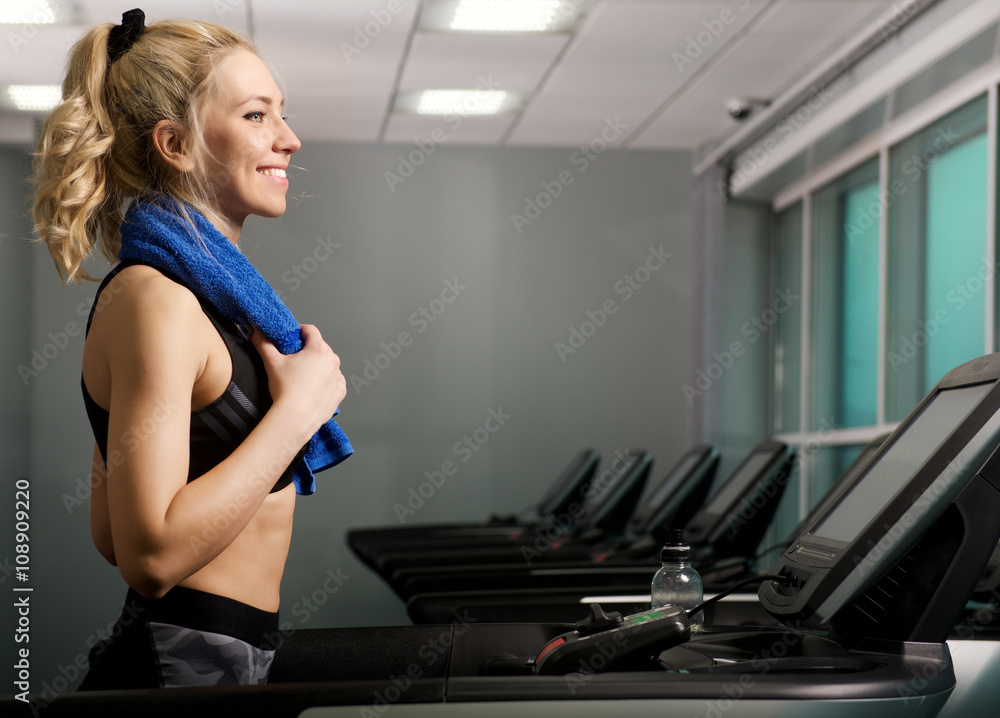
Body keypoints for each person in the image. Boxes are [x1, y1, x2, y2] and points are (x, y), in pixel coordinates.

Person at [31, 9, 348, 688]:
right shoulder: (159, 301)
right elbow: (147, 557)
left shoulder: (203, 300)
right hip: (184, 662)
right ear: (175, 143)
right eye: (258, 116)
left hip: (221, 651)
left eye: (280, 114)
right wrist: (299, 412)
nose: (289, 139)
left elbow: (110, 532)